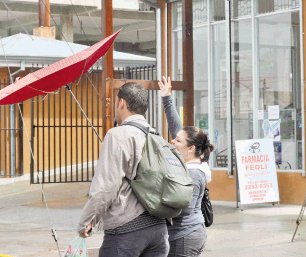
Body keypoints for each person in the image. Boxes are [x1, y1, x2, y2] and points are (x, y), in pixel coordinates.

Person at [78, 82, 170, 257]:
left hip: (126, 230)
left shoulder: (117, 135)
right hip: (159, 229)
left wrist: (88, 221)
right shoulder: (156, 135)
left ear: (121, 103)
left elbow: (106, 187)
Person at [159, 76, 214, 257]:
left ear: (190, 148)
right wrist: (167, 98)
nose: (173, 141)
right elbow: (177, 129)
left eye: (178, 141)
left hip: (185, 236)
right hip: (186, 234)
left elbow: (183, 208)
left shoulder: (194, 174)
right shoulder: (191, 161)